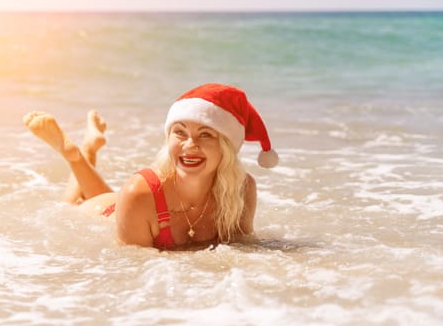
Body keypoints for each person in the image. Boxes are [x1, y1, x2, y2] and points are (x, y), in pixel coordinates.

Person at [23, 83, 278, 250]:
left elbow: (245, 246)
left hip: (136, 205)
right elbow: (136, 271)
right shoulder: (138, 192)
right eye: (180, 132)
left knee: (105, 190)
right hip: (108, 211)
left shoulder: (242, 189)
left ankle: (89, 146)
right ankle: (78, 154)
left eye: (206, 135)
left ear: (227, 147)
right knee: (70, 204)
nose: (190, 145)